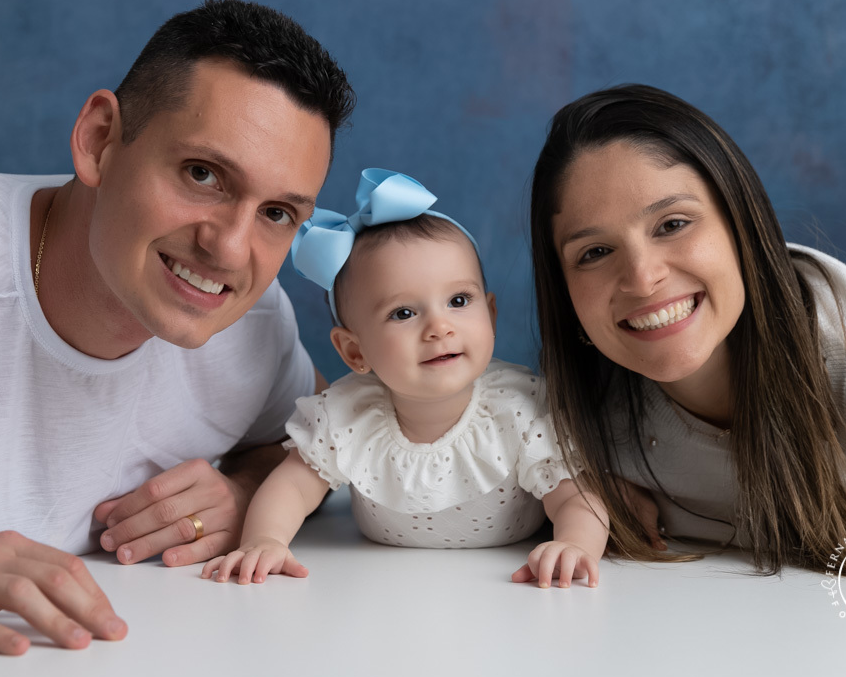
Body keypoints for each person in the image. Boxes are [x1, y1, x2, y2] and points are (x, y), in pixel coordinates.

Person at [0, 0, 355, 654]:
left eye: (277, 213)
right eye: (203, 174)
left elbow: (326, 434)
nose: (230, 250)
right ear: (99, 140)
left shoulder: (248, 318)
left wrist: (249, 492)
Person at [528, 84, 846, 611]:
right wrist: (590, 492)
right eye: (595, 252)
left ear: (742, 225)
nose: (641, 278)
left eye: (673, 224)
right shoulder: (578, 416)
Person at [201, 169, 609, 589]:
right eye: (404, 313)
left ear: (490, 314)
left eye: (458, 300)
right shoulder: (348, 415)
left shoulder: (519, 411)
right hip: (378, 588)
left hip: (498, 585)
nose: (439, 327)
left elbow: (576, 497)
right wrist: (265, 539)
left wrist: (575, 543)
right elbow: (291, 487)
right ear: (355, 351)